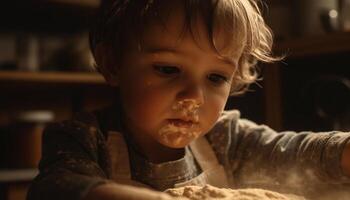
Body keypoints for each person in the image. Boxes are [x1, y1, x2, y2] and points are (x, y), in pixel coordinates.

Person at [27, 0, 350, 199]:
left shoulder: (225, 139)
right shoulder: (84, 140)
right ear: (113, 63)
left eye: (215, 77)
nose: (193, 96)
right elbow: (55, 188)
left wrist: (344, 151)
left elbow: (292, 153)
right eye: (168, 69)